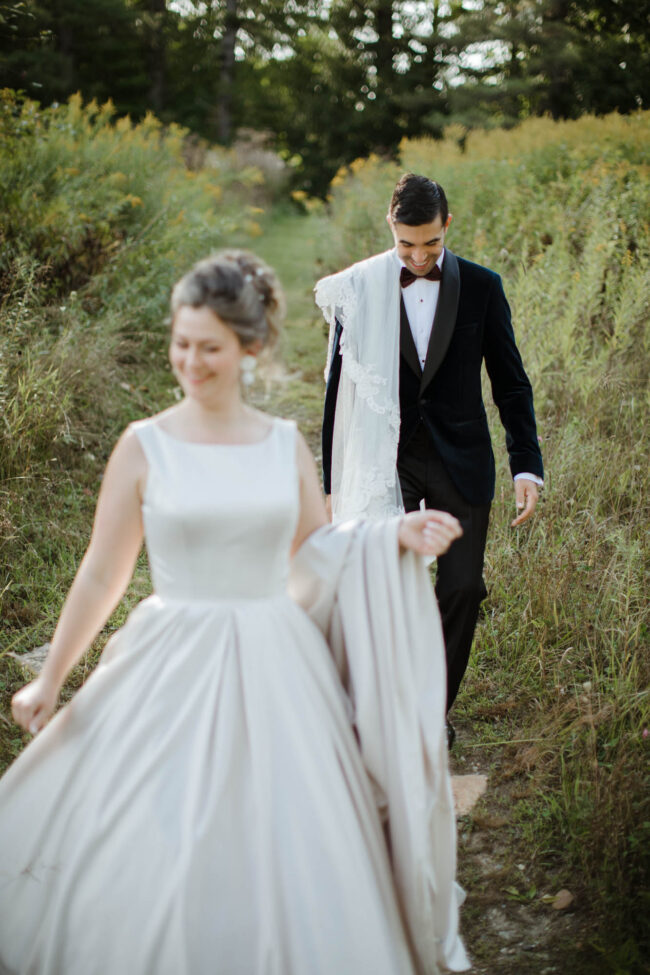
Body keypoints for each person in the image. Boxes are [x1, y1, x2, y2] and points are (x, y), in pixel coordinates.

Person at [1, 250, 470, 974]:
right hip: (167, 660)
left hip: (274, 660)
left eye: (210, 347)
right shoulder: (142, 445)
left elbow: (316, 551)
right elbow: (102, 571)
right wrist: (51, 677)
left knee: (285, 835)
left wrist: (390, 536)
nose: (191, 361)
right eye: (181, 343)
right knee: (152, 833)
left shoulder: (283, 446)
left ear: (249, 347)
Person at [318, 173, 544, 741]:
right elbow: (336, 390)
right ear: (390, 228)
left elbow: (511, 385)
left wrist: (525, 464)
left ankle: (430, 707)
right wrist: (330, 478)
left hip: (460, 457)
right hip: (385, 456)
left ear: (448, 225)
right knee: (382, 585)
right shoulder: (361, 288)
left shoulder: (485, 288)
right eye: (407, 245)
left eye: (431, 245)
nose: (419, 257)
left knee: (462, 586)